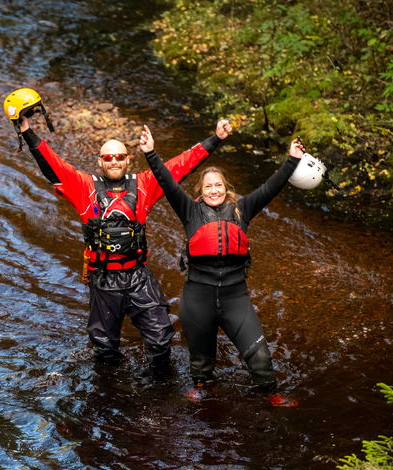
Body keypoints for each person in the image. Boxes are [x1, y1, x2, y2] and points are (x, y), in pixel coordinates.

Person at [15, 110, 232, 366]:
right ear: (100, 162)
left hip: (138, 275)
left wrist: (216, 138)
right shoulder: (83, 186)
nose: (114, 161)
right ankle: (110, 387)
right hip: (103, 278)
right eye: (108, 158)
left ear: (128, 159)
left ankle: (160, 384)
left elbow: (181, 164)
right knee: (105, 349)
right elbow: (53, 164)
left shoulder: (144, 184)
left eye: (119, 157)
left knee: (161, 339)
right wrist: (27, 131)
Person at [138, 124, 304, 404]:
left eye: (218, 185)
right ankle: (203, 387)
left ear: (226, 189)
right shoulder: (189, 211)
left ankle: (270, 394)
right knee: (201, 361)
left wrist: (293, 159)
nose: (214, 190)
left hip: (234, 296)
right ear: (200, 191)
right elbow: (167, 182)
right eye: (208, 186)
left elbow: (271, 187)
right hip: (198, 296)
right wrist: (151, 153)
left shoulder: (243, 209)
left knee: (260, 356)